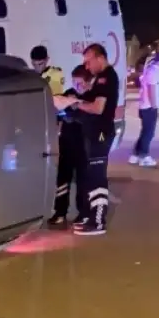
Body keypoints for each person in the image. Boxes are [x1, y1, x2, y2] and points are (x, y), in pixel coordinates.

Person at [69, 43, 120, 235]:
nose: (87, 66)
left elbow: (97, 108)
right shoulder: (100, 78)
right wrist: (73, 100)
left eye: (89, 61)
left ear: (100, 58)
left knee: (97, 176)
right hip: (95, 132)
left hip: (101, 133)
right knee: (91, 175)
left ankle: (98, 222)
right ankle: (91, 216)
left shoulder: (107, 78)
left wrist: (76, 103)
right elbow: (88, 98)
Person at [48, 65, 93, 225]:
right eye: (74, 82)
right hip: (66, 143)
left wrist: (75, 113)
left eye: (80, 83)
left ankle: (83, 212)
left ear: (88, 82)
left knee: (82, 180)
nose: (76, 86)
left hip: (83, 145)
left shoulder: (92, 98)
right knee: (62, 179)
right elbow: (58, 111)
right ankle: (60, 212)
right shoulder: (68, 94)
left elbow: (91, 118)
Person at [130, 52, 159, 166]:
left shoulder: (154, 70)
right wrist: (154, 105)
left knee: (145, 132)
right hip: (149, 106)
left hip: (146, 106)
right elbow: (151, 88)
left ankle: (135, 155)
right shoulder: (155, 71)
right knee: (149, 133)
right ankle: (144, 156)